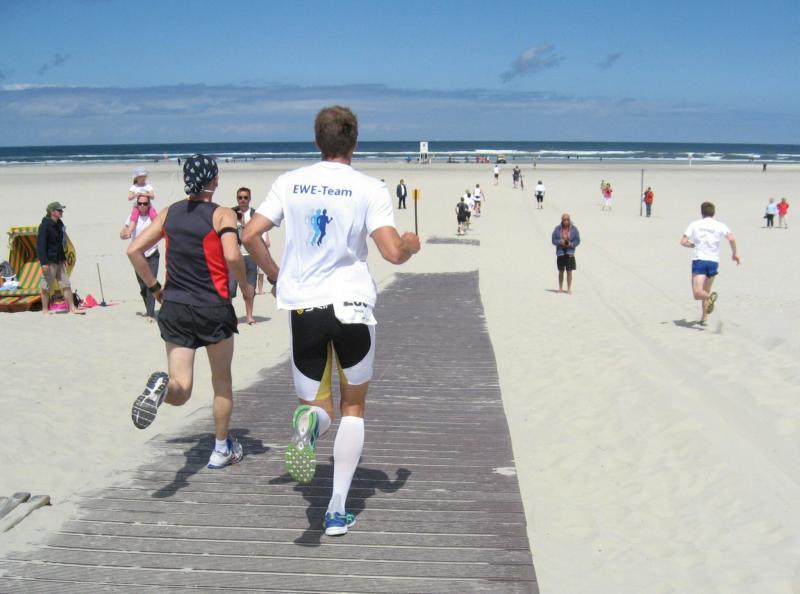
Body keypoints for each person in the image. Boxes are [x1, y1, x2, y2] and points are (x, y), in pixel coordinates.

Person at [243, 106, 420, 537]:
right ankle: (336, 511)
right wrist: (410, 245)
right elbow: (392, 252)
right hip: (352, 307)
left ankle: (309, 429)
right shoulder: (370, 187)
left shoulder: (290, 182)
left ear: (317, 140)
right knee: (352, 407)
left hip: (305, 307)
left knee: (316, 408)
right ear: (354, 141)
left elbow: (249, 235)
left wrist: (275, 274)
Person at [127, 154, 255, 471]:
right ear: (215, 181)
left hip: (175, 308)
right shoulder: (222, 214)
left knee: (181, 388)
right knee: (221, 381)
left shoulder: (170, 212)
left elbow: (134, 250)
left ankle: (162, 390)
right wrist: (244, 285)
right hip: (213, 308)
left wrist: (155, 288)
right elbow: (232, 255)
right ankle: (221, 449)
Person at [680, 201, 740, 324]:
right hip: (713, 261)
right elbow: (732, 239)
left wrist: (693, 245)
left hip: (700, 260)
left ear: (701, 212)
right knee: (705, 290)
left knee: (698, 293)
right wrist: (734, 254)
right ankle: (704, 318)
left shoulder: (694, 224)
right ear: (713, 213)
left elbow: (683, 241)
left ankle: (710, 298)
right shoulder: (720, 225)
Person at [37, 201, 83, 315]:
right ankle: (45, 310)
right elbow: (41, 246)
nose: (62, 212)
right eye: (59, 210)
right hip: (50, 261)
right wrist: (44, 262)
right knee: (46, 287)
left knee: (66, 285)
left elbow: (60, 244)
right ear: (52, 212)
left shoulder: (59, 224)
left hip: (60, 260)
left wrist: (64, 258)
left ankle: (72, 308)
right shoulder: (45, 226)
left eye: (61, 210)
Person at [120, 196, 160, 321]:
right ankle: (149, 309)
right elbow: (123, 232)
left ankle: (150, 313)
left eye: (145, 203)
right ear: (137, 204)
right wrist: (124, 234)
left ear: (149, 204)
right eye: (140, 203)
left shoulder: (154, 217)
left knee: (151, 283)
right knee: (143, 285)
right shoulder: (132, 217)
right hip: (137, 256)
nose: (142, 206)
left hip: (152, 254)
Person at [231, 187, 260, 324]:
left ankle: (249, 316)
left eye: (245, 197)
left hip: (250, 255)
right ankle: (230, 317)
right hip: (234, 255)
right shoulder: (230, 214)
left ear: (250, 199)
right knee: (230, 288)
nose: (242, 200)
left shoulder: (255, 215)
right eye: (240, 197)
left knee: (250, 288)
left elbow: (262, 236)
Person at [551, 213, 580, 294]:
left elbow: (577, 240)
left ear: (569, 220)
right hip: (560, 252)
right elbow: (553, 240)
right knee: (561, 271)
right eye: (564, 219)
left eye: (567, 219)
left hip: (570, 252)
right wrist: (560, 242)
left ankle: (568, 288)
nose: (566, 221)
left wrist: (571, 244)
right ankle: (560, 288)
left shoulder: (574, 229)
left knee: (569, 271)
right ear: (562, 220)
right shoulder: (557, 229)